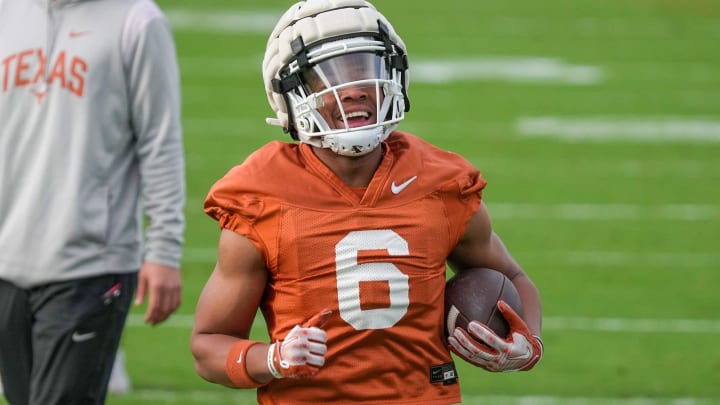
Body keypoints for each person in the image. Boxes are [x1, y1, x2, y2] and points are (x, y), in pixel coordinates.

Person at [191, 0, 543, 404]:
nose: (355, 88)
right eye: (330, 74)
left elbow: (514, 279)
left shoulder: (439, 183)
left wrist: (528, 344)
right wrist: (272, 359)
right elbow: (209, 344)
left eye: (365, 69)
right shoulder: (262, 196)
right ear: (291, 93)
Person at [0, 0, 185, 404]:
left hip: (90, 267)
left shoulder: (137, 22)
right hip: (6, 264)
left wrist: (164, 249)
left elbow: (160, 143)